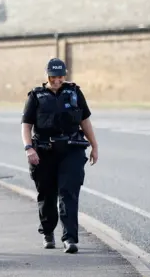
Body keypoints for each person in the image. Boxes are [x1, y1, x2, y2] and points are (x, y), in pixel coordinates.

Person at [20, 57, 99, 254]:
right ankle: (48, 233)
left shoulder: (74, 92)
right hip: (44, 152)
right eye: (54, 76)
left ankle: (70, 238)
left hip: (71, 149)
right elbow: (26, 125)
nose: (57, 80)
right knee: (47, 194)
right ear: (47, 76)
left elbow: (85, 121)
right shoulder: (36, 96)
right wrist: (29, 148)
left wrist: (95, 146)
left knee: (68, 192)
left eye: (61, 76)